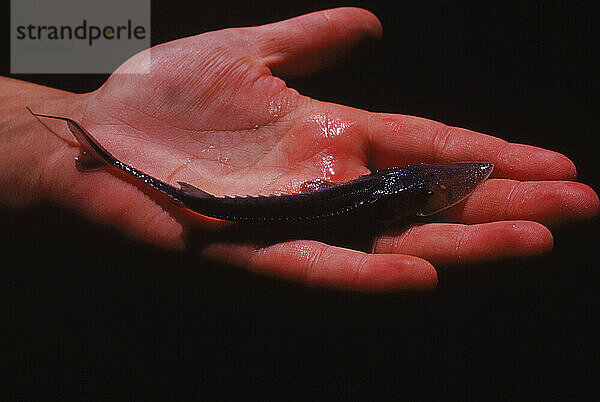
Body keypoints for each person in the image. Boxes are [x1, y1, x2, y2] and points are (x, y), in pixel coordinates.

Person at [1, 8, 597, 290]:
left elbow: (44, 32)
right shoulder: (57, 18)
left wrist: (59, 127)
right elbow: (41, 28)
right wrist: (58, 131)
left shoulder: (62, 21)